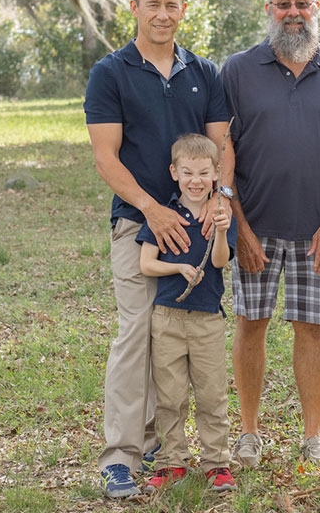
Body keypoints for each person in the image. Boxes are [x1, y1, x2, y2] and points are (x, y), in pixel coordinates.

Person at [83, 0, 234, 499]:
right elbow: (106, 157)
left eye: (172, 5)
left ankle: (157, 441)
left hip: (196, 228)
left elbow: (222, 147)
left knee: (175, 335)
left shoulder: (206, 73)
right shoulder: (111, 72)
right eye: (154, 4)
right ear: (135, 8)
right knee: (135, 332)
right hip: (138, 224)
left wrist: (221, 199)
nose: (163, 14)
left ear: (183, 9)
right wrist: (152, 209)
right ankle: (121, 456)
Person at [220, 0, 320, 467]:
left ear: (316, 7)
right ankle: (249, 433)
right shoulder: (235, 70)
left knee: (311, 330)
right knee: (250, 325)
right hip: (254, 226)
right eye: (283, 4)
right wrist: (239, 227)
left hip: (317, 228)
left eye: (302, 3)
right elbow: (223, 149)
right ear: (269, 9)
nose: (293, 12)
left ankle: (312, 437)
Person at [137, 134, 237, 493]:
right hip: (168, 316)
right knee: (170, 394)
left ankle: (216, 463)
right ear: (174, 172)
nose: (196, 180)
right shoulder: (163, 215)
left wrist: (223, 234)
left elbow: (220, 261)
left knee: (212, 394)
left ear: (215, 176)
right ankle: (171, 462)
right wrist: (177, 268)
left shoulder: (221, 215)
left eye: (204, 173)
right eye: (188, 172)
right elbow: (146, 264)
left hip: (208, 317)